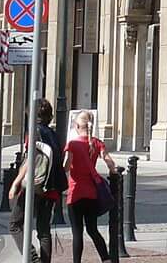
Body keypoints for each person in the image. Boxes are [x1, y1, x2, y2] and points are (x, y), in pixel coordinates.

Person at [9, 98, 64, 263]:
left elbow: (29, 160)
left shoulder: (34, 132)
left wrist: (16, 182)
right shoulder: (53, 134)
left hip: (35, 185)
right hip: (51, 187)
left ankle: (33, 259)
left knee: (14, 224)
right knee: (44, 230)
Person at [62, 109, 112, 263]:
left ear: (77, 126)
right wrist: (114, 171)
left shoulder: (72, 144)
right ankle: (106, 258)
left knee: (77, 232)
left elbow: (65, 166)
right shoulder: (97, 143)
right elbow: (109, 160)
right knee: (92, 229)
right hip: (91, 193)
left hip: (75, 193)